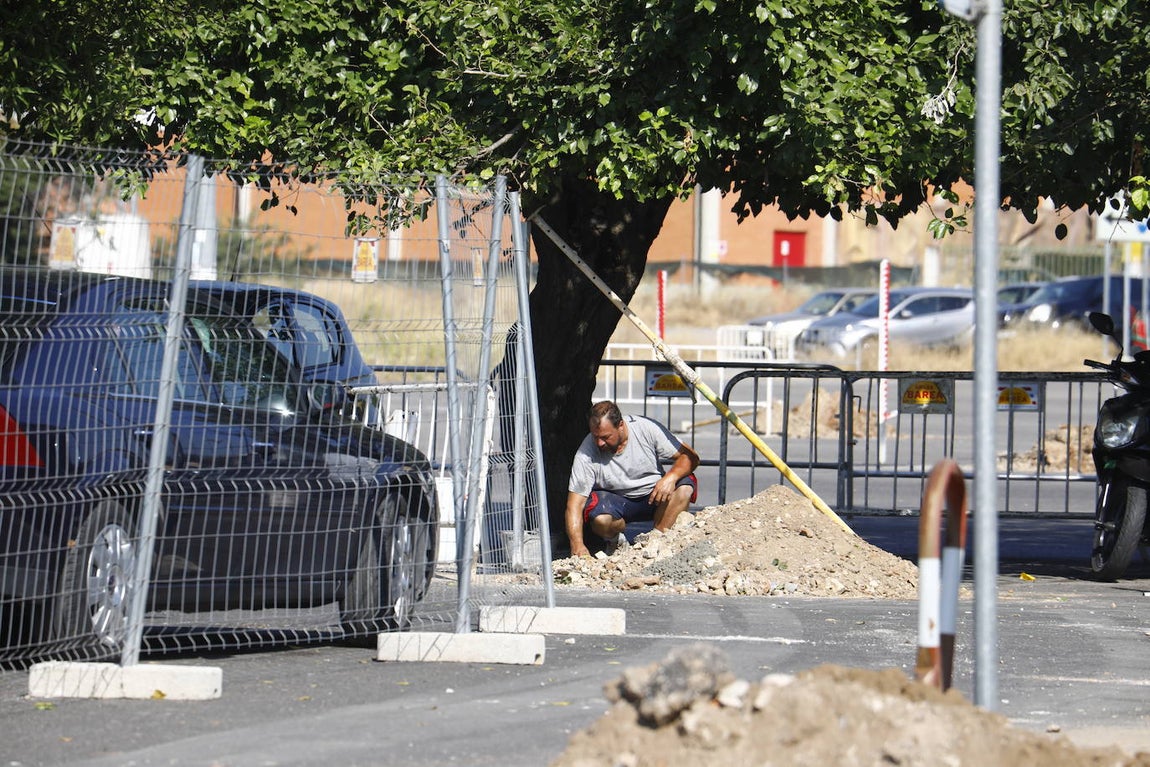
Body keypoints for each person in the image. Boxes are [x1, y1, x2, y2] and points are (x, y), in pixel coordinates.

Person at [564, 400, 700, 558]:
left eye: (606, 437)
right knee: (600, 518)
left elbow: (691, 457)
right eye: (595, 437)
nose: (599, 443)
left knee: (684, 487)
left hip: (655, 495)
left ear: (620, 425)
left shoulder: (646, 428)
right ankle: (617, 542)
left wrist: (670, 477)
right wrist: (577, 546)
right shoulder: (586, 452)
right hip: (617, 502)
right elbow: (574, 505)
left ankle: (657, 541)